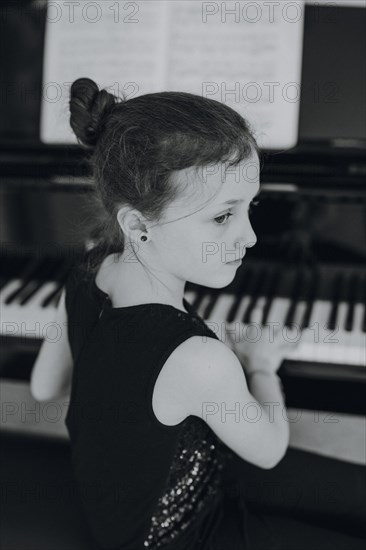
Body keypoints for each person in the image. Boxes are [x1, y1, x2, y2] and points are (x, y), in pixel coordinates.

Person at [30, 78, 366, 550]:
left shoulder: (88, 269)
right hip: (183, 534)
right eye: (222, 216)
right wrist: (262, 366)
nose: (250, 237)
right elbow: (270, 451)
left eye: (250, 207)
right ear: (137, 224)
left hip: (129, 498)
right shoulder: (197, 360)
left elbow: (45, 386)